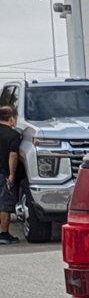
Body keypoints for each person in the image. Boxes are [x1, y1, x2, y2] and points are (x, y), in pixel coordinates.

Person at [0, 105, 21, 245]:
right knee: (4, 204)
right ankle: (4, 234)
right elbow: (13, 156)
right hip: (3, 173)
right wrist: (12, 174)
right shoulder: (13, 135)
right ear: (12, 118)